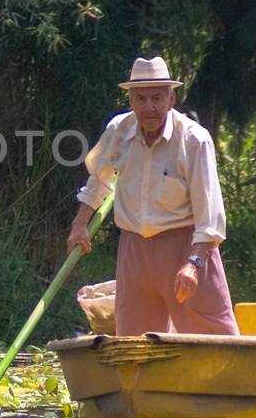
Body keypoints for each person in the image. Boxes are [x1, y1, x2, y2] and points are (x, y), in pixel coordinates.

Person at [66, 56, 237, 336]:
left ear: (171, 99)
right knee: (134, 346)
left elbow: (210, 212)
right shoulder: (118, 131)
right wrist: (79, 224)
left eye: (157, 98)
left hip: (186, 247)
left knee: (214, 342)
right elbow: (99, 180)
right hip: (135, 251)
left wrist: (194, 263)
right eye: (141, 99)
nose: (149, 107)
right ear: (131, 101)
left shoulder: (194, 140)